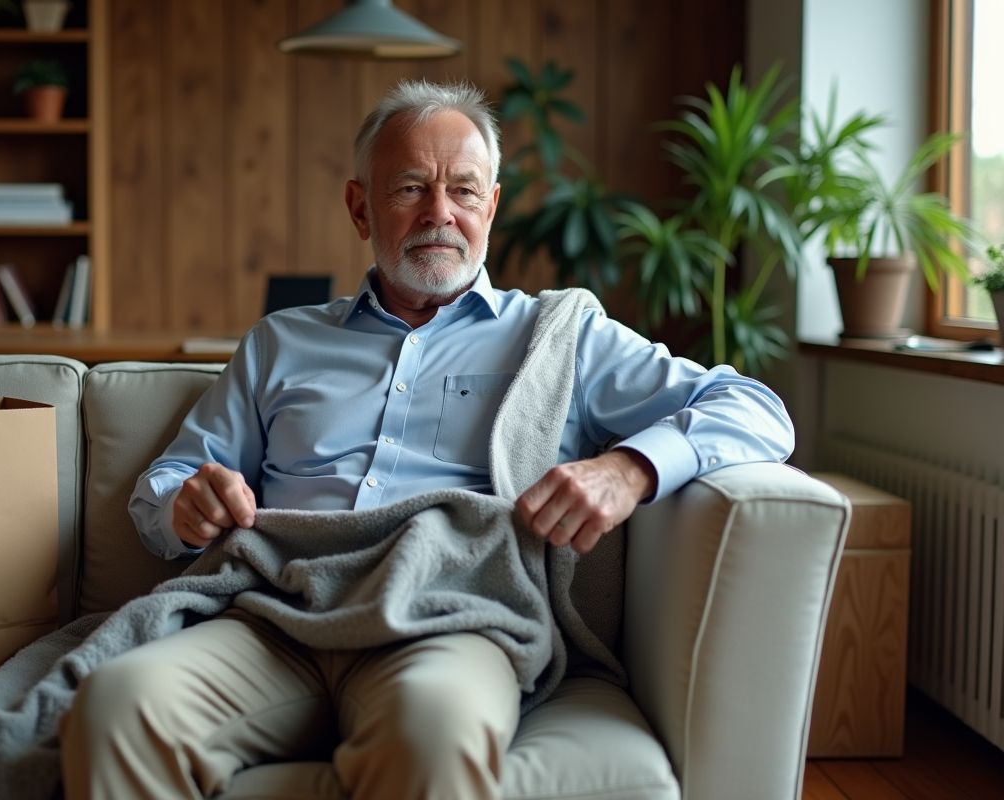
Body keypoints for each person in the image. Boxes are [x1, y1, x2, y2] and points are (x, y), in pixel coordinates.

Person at [59, 80, 794, 800]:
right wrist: (184, 504)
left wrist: (630, 469)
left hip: (452, 616)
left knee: (433, 730)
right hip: (278, 616)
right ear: (359, 206)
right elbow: (171, 483)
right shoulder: (280, 342)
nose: (439, 214)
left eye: (465, 191)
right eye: (410, 188)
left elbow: (755, 407)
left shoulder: (558, 338)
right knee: (117, 706)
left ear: (492, 207)